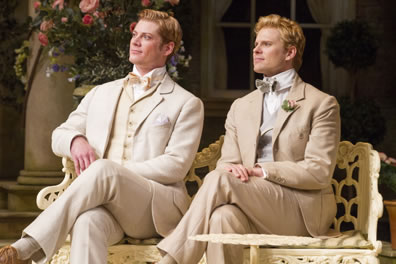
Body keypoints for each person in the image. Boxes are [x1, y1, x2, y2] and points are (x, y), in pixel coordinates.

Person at [0, 9, 204, 264]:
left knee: (103, 170)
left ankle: (27, 246)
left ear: (167, 48)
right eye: (135, 34)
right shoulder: (101, 93)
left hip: (154, 208)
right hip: (107, 207)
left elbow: (176, 165)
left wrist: (114, 171)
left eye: (147, 37)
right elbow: (59, 135)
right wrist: (77, 141)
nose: (136, 41)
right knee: (87, 221)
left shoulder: (186, 103)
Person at [157, 14, 341, 264]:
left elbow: (318, 171)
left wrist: (261, 171)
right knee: (222, 217)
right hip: (251, 204)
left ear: (289, 53)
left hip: (300, 210)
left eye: (266, 44)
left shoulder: (321, 104)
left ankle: (172, 260)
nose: (256, 49)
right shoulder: (241, 106)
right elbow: (227, 164)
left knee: (219, 179)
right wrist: (231, 170)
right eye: (256, 43)